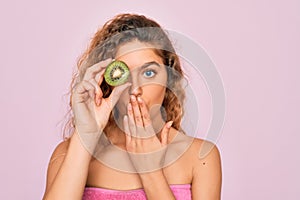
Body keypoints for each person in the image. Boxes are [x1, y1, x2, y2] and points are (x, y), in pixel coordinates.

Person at [43, 13, 222, 200]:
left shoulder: (201, 157)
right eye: (123, 74)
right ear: (107, 81)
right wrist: (86, 136)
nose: (136, 89)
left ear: (169, 78)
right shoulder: (68, 154)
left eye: (149, 72)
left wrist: (150, 172)